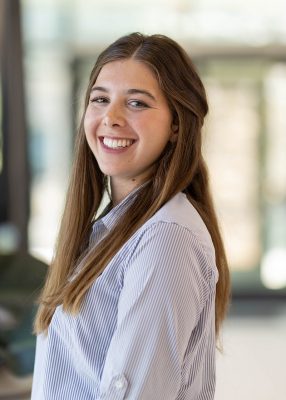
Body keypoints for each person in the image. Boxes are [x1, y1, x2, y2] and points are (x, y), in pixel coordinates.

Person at [31, 32, 230, 400]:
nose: (112, 117)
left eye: (137, 103)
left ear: (176, 125)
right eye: (100, 99)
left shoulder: (167, 237)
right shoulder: (106, 233)